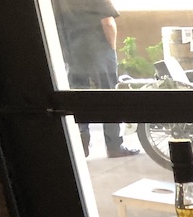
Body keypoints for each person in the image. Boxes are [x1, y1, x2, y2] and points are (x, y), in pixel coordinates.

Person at [54, 0, 139, 158]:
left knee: (78, 96)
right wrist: (112, 49)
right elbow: (108, 23)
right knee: (109, 97)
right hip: (99, 50)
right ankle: (114, 145)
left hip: (73, 49)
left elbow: (56, 23)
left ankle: (81, 136)